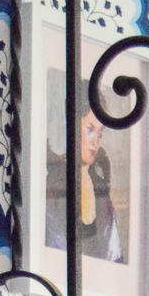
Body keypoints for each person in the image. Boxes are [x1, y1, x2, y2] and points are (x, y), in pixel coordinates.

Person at [45, 80, 123, 264]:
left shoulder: (101, 186)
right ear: (71, 124)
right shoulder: (55, 178)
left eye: (100, 133)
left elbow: (114, 252)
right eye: (90, 129)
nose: (96, 141)